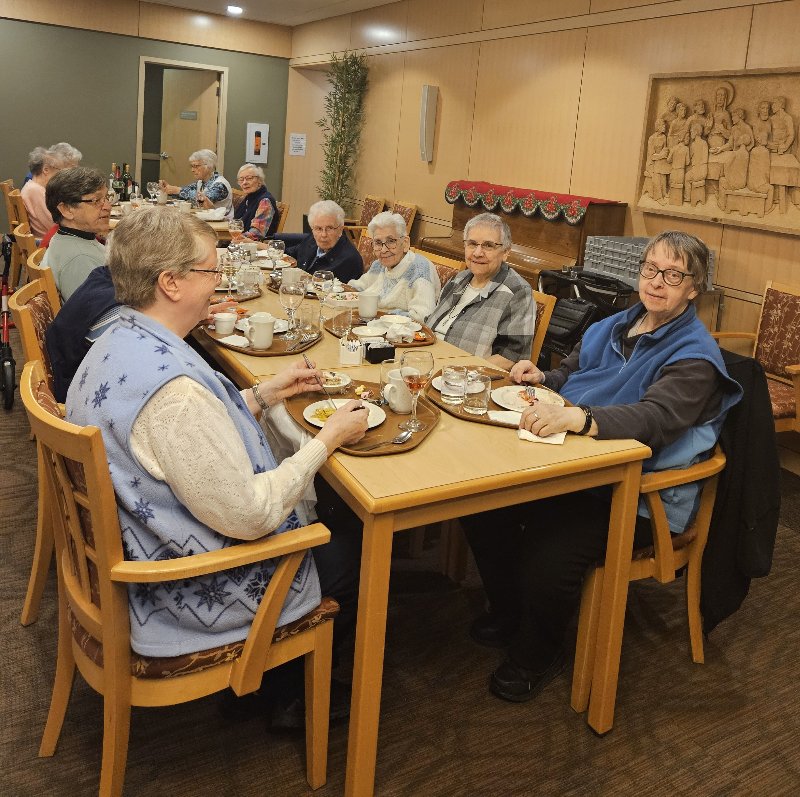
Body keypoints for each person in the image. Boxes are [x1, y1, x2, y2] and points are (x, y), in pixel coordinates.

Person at [65, 206, 369, 725]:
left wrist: (265, 393)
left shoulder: (117, 339)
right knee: (351, 541)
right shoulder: (176, 395)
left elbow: (175, 442)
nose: (218, 282)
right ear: (171, 283)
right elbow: (250, 514)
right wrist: (328, 441)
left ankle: (280, 683)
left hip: (137, 543)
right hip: (174, 588)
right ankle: (286, 696)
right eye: (211, 271)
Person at [461, 231, 742, 703]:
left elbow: (656, 418)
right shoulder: (617, 324)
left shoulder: (695, 357)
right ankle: (512, 611)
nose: (657, 282)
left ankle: (538, 650)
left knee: (549, 553)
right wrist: (543, 378)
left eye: (673, 275)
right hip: (576, 464)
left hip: (636, 490)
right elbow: (573, 370)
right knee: (482, 507)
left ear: (694, 288)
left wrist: (580, 417)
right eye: (651, 269)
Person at [425, 212, 534, 370]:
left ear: (505, 252)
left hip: (465, 380)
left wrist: (463, 373)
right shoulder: (458, 279)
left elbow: (511, 357)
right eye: (472, 244)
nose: (477, 253)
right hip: (427, 362)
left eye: (488, 245)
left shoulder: (517, 292)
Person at [347, 211, 440, 322]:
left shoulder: (420, 271)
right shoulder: (379, 265)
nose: (384, 250)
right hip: (372, 325)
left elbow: (423, 317)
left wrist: (383, 316)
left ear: (405, 243)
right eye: (377, 242)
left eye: (391, 241)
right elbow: (357, 288)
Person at [41, 167, 110, 300]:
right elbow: (94, 314)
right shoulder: (80, 259)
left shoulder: (66, 238)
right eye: (96, 200)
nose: (107, 206)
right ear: (66, 209)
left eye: (106, 198)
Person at [285, 199, 363, 282]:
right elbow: (290, 254)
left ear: (340, 230)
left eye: (329, 228)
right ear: (312, 229)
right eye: (318, 228)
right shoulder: (311, 240)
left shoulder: (349, 260)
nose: (323, 235)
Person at [159, 149, 232, 217]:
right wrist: (169, 189)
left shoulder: (220, 184)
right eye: (192, 166)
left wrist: (177, 190)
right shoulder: (201, 182)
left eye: (196, 166)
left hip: (223, 226)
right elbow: (186, 191)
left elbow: (203, 199)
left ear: (209, 166)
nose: (192, 170)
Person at [20, 146, 74, 238]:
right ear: (46, 170)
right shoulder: (35, 191)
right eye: (60, 170)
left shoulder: (34, 187)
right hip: (48, 243)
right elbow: (54, 224)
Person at [232, 163, 280, 241]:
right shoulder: (248, 198)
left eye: (249, 178)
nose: (244, 183)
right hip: (242, 243)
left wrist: (235, 238)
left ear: (260, 180)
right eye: (241, 179)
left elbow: (256, 233)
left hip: (257, 248)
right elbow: (236, 223)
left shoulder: (265, 201)